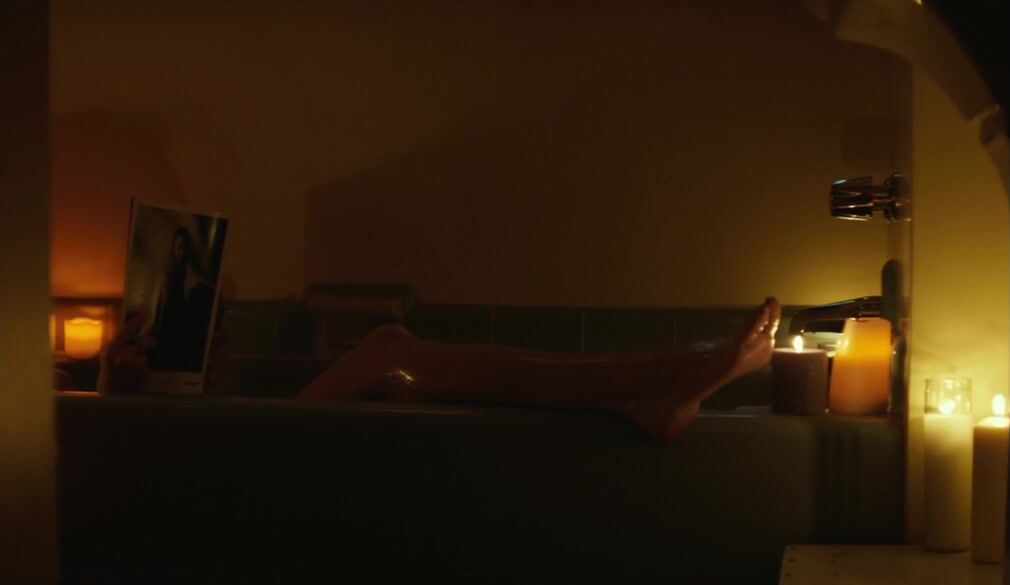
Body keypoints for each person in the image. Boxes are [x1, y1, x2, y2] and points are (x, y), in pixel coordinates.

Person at [99, 296, 781, 440]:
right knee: (392, 358)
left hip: (245, 439)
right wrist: (116, 393)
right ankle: (649, 381)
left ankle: (648, 381)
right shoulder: (80, 420)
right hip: (256, 452)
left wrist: (201, 378)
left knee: (390, 339)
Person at [146, 226, 216, 372]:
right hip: (164, 342)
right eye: (179, 248)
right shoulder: (167, 279)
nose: (182, 253)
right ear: (173, 249)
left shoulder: (195, 283)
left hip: (181, 346)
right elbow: (159, 314)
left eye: (185, 248)